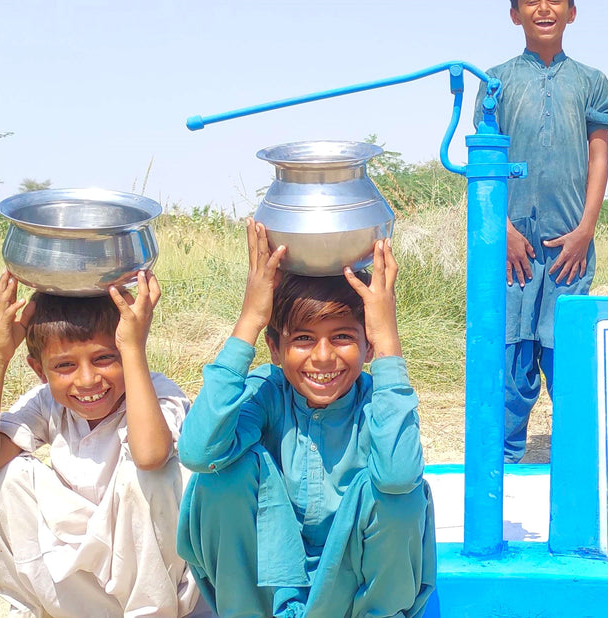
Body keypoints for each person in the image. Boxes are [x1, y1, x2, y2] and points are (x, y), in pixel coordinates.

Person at [177, 222, 435, 618]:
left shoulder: (375, 403)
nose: (323, 357)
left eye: (343, 338)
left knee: (399, 495)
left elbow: (399, 476)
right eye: (302, 339)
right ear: (275, 348)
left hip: (350, 593)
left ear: (367, 347)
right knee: (221, 475)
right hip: (268, 589)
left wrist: (387, 339)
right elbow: (197, 452)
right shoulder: (268, 392)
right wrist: (250, 319)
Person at [475, 0, 608, 463]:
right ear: (515, 14)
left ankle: (578, 471)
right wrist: (506, 231)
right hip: (510, 248)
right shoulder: (494, 81)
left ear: (572, 12)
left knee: (568, 358)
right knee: (512, 363)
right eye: (532, 0)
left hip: (570, 247)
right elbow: (485, 164)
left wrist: (585, 230)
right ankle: (505, 469)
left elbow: (599, 158)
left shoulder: (592, 81)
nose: (544, 8)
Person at [0, 270, 207, 617]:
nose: (88, 379)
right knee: (7, 477)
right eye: (64, 366)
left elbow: (151, 456)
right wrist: (0, 356)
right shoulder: (47, 403)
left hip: (157, 590)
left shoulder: (159, 393)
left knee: (149, 476)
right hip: (85, 587)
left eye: (105, 358)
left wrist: (132, 348)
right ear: (39, 370)